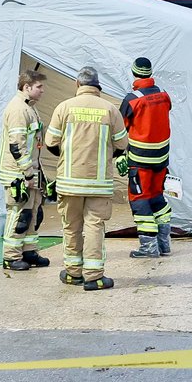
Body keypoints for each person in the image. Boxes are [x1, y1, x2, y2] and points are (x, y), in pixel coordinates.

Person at [45, 65, 130, 290]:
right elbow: (122, 145)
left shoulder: (64, 108)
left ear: (77, 84)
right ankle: (94, 277)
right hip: (98, 182)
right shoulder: (110, 110)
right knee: (94, 226)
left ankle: (73, 273)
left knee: (71, 226)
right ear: (98, 86)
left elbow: (50, 143)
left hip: (69, 181)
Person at [120, 56, 174, 259]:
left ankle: (149, 247)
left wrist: (118, 156)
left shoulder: (132, 99)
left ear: (134, 73)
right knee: (157, 197)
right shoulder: (164, 95)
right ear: (150, 73)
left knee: (140, 200)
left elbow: (120, 129)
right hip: (161, 159)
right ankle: (164, 243)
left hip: (140, 160)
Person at [0, 69, 51, 273]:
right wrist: (28, 173)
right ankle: (11, 257)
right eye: (39, 87)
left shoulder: (30, 108)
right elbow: (16, 145)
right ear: (26, 87)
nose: (42, 90)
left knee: (33, 212)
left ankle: (29, 251)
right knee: (19, 213)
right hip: (18, 173)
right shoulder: (18, 109)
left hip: (32, 170)